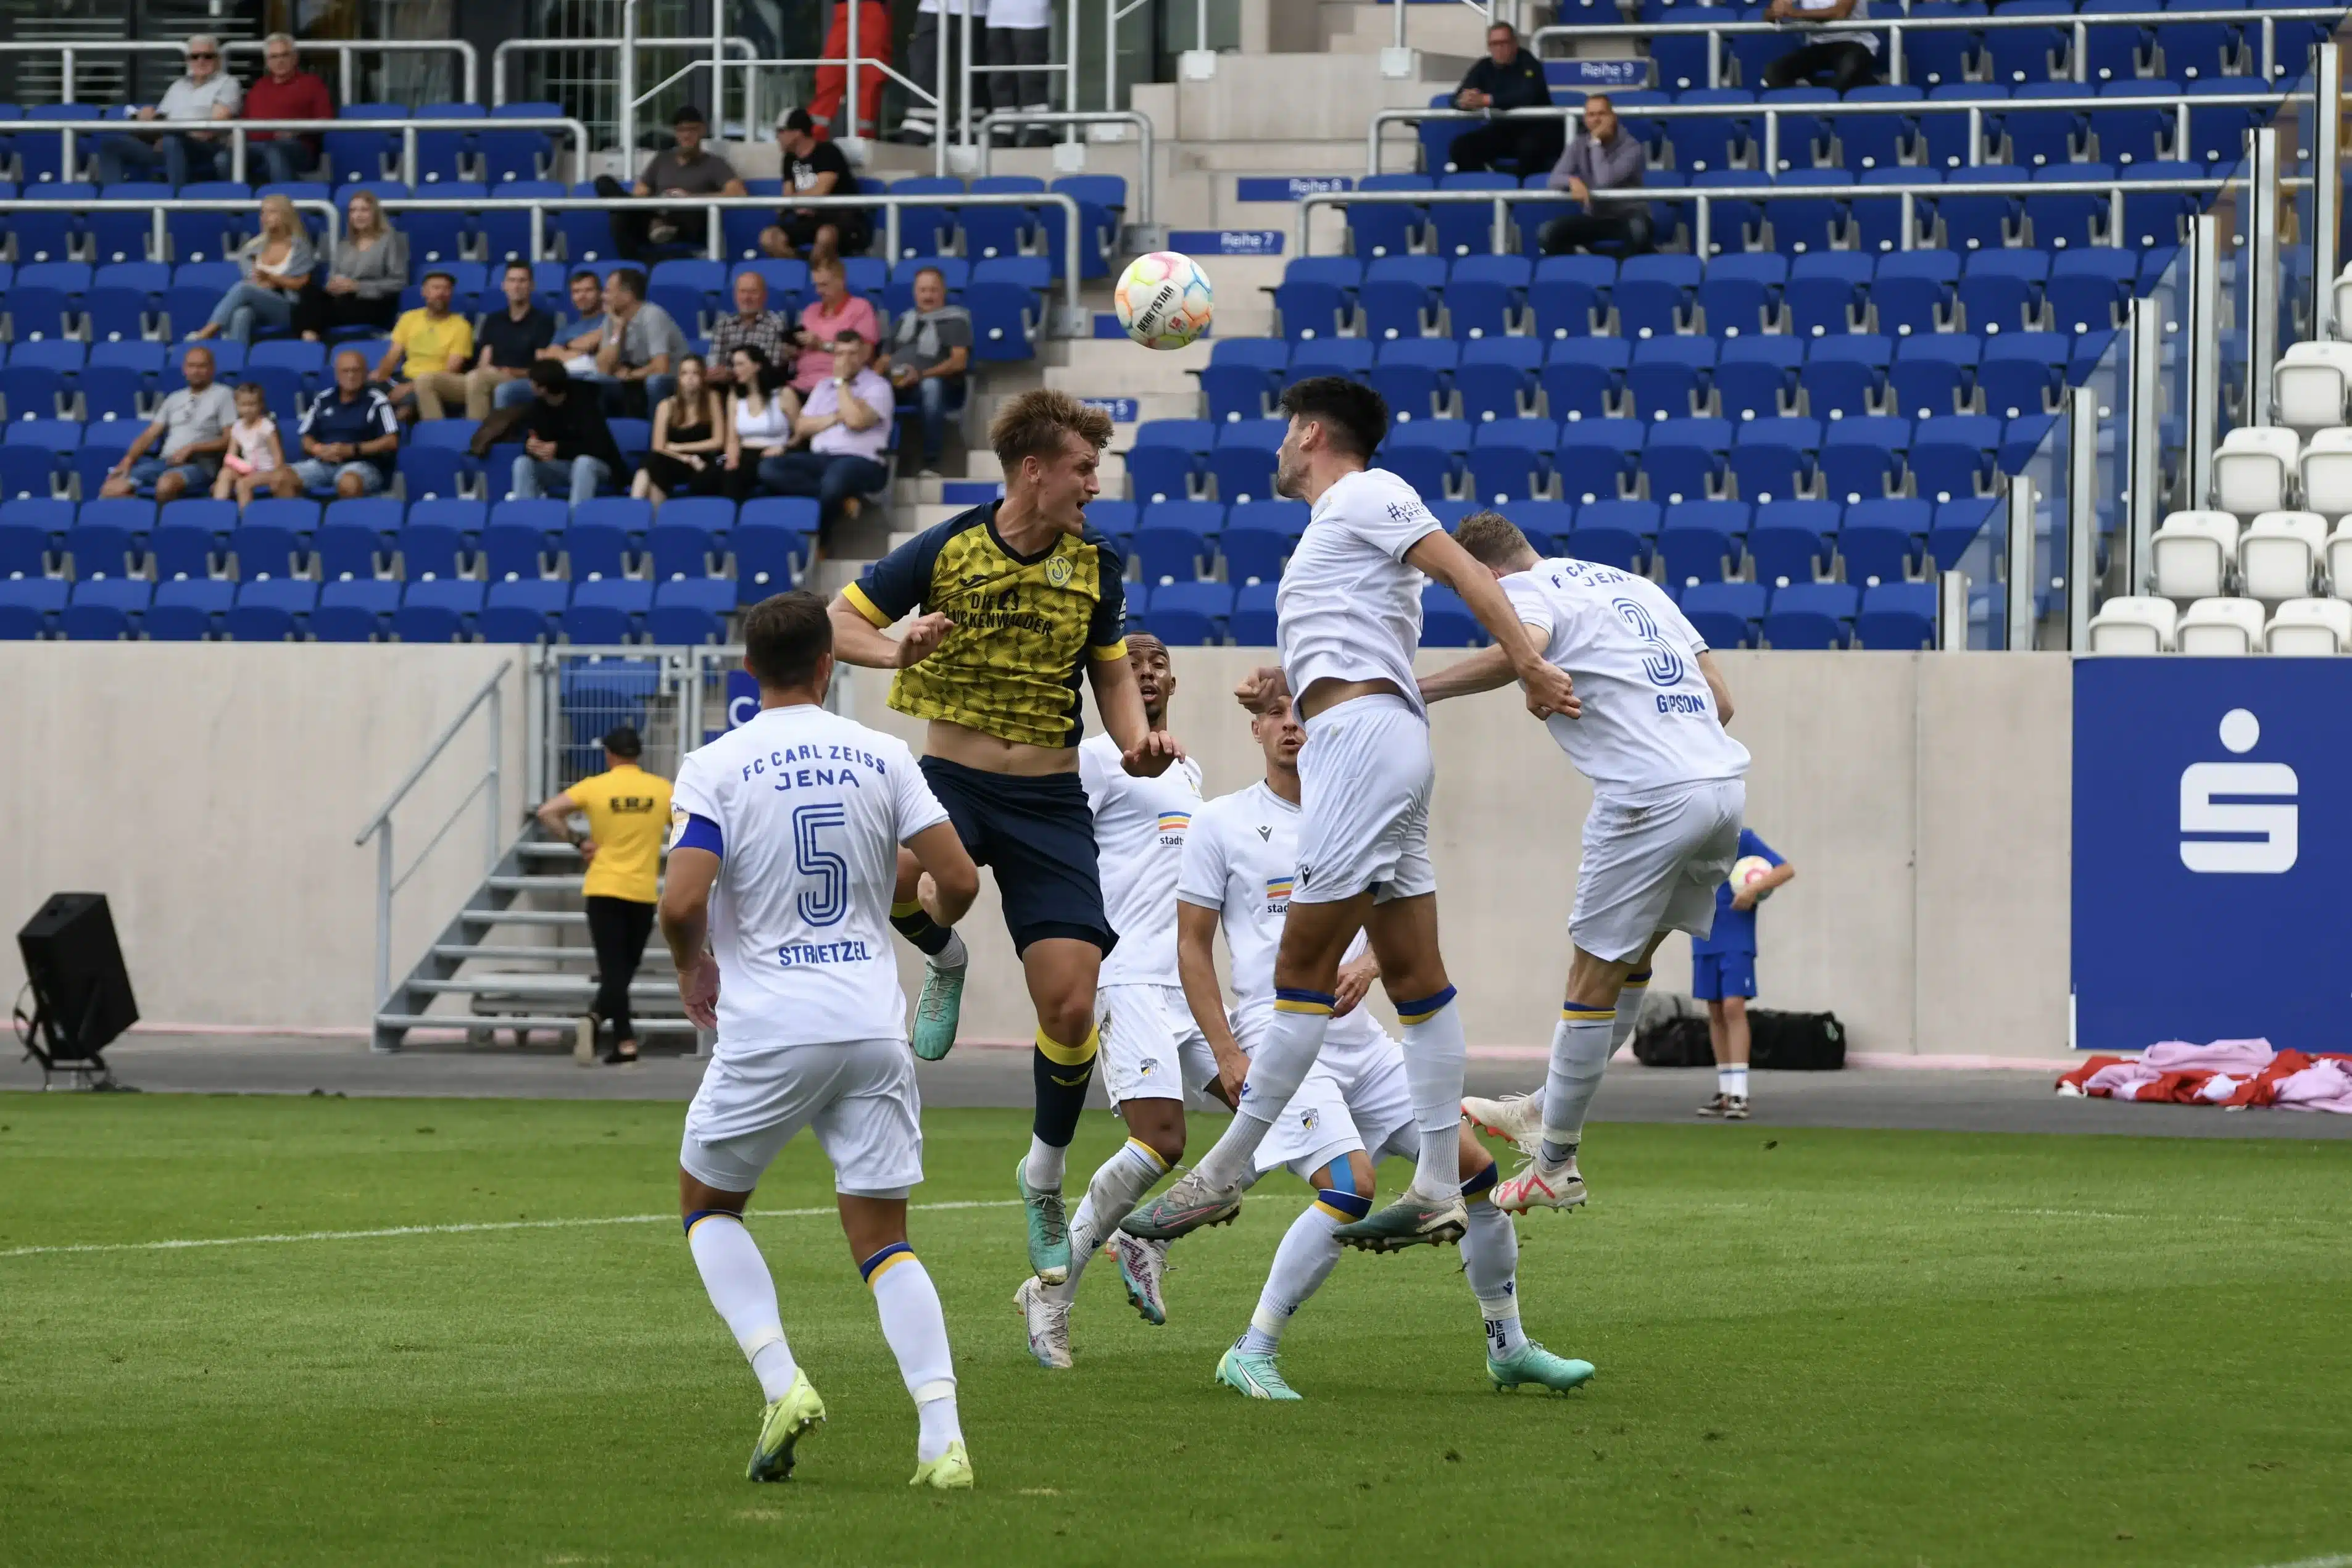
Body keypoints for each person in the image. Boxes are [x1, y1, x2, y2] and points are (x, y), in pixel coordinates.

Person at [1118, 380, 1575, 1253]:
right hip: (1369, 737)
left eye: (1288, 431)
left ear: (1312, 432)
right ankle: (1441, 1178)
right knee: (1412, 973)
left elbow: (1463, 568)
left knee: (1301, 960)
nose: (1280, 447)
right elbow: (1359, 641)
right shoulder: (1332, 531)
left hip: (1365, 745)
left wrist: (1528, 665)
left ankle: (1223, 1171)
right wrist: (1282, 689)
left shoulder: (1367, 490)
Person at [1115, 673, 1592, 1401]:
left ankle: (1509, 1344)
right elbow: (1192, 947)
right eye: (1275, 714)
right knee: (1351, 1186)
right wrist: (1228, 1052)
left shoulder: (1359, 816)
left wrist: (1368, 965)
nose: (1289, 726)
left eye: (1300, 713)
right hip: (1274, 1033)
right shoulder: (1221, 822)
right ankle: (1251, 1350)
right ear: (1255, 729)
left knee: (1475, 1178)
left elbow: (1402, 924)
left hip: (1360, 1042)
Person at [825, 388, 1182, 1289]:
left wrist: (1137, 741)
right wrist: (896, 649)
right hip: (948, 778)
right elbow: (840, 622)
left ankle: (1042, 1179)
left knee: (1068, 1003)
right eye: (1082, 468)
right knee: (902, 871)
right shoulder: (947, 546)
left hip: (1050, 800)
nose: (1092, 485)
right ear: (1034, 470)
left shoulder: (1095, 560)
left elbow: (1107, 669)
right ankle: (943, 958)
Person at [661, 589, 979, 1489]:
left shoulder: (715, 763)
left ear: (749, 672)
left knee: (709, 1204)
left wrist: (694, 970)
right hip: (869, 1024)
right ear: (827, 664)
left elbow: (683, 901)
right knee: (884, 1239)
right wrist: (933, 923)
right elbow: (954, 877)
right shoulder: (882, 754)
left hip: (770, 1026)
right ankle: (941, 1438)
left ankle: (781, 1381)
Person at [1405, 512, 1749, 1217]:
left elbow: (1516, 654)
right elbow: (1721, 701)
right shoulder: (1635, 587)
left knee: (1588, 976)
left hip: (1647, 799)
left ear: (1486, 576)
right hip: (1720, 789)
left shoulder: (1526, 592)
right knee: (1630, 965)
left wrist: (1419, 688)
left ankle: (1554, 1158)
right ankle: (1541, 1109)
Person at [1013, 633, 1211, 1364]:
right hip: (1124, 977)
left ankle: (1141, 1229)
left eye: (1160, 663)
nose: (1149, 672)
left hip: (1190, 986)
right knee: (1162, 1139)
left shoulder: (1189, 770)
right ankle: (1051, 1294)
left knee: (1266, 1113)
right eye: (1133, 665)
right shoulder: (1093, 760)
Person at [538, 726, 673, 1068]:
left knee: (613, 970)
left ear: (610, 755)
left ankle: (597, 1021)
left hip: (603, 888)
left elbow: (547, 812)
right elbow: (688, 824)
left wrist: (577, 841)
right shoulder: (662, 790)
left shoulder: (595, 787)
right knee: (623, 970)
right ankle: (624, 1042)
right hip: (642, 892)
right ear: (638, 755)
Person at [1691, 828, 1795, 1119]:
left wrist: (1751, 890)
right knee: (1714, 1011)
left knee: (1733, 1006)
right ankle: (1725, 1092)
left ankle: (1740, 1092)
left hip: (1737, 938)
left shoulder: (1742, 839)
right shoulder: (1692, 841)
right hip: (1703, 936)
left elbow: (1785, 869)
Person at [760, 331, 892, 549]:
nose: (846, 360)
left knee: (835, 478)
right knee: (768, 469)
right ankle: (842, 500)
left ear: (863, 355)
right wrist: (836, 416)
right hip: (821, 458)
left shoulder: (878, 386)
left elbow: (856, 423)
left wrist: (841, 384)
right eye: (840, 354)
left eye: (852, 354)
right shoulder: (823, 387)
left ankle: (821, 542)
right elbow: (802, 427)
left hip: (862, 461)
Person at [594, 104, 746, 262]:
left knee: (694, 216)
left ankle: (650, 256)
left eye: (692, 130)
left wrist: (691, 198)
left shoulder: (714, 163)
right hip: (657, 214)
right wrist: (657, 208)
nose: (687, 135)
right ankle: (644, 251)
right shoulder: (662, 160)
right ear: (676, 133)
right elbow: (639, 194)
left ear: (702, 131)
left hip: (690, 220)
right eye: (682, 130)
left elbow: (738, 193)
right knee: (606, 188)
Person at [94, 34, 241, 187]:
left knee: (173, 140)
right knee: (109, 145)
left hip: (202, 148)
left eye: (208, 56)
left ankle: (176, 199)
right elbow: (162, 118)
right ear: (187, 60)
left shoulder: (228, 83)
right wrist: (147, 117)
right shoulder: (178, 85)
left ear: (218, 59)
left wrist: (171, 134)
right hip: (165, 143)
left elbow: (214, 127)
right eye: (195, 56)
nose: (201, 61)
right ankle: (117, 201)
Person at [100, 345, 236, 501]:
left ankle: (163, 521)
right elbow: (151, 434)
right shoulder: (174, 398)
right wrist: (128, 461)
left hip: (201, 465)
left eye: (202, 366)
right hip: (166, 462)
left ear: (212, 369)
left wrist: (193, 448)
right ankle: (144, 517)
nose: (196, 371)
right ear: (184, 369)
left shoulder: (224, 394)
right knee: (110, 488)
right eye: (191, 366)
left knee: (166, 485)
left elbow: (230, 439)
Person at [189, 193, 315, 344]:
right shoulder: (252, 248)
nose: (266, 217)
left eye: (272, 212)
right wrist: (269, 283)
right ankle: (236, 359)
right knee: (242, 314)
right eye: (263, 212)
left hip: (290, 307)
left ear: (285, 215)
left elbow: (301, 283)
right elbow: (255, 281)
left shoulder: (300, 246)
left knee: (243, 289)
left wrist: (271, 278)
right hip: (258, 301)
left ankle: (206, 333)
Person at [1538, 95, 1652, 258]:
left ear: (1613, 117)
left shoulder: (1632, 147)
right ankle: (1582, 266)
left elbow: (1604, 181)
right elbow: (1554, 179)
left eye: (1602, 114)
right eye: (1591, 115)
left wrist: (1596, 143)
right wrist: (1572, 181)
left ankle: (1622, 273)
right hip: (1595, 217)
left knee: (1639, 231)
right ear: (1585, 120)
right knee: (1547, 232)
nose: (1596, 120)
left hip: (1629, 216)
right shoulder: (1578, 144)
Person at [883, 265, 970, 478]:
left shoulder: (956, 320)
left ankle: (932, 462)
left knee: (931, 389)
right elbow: (885, 358)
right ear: (915, 292)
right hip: (899, 382)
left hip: (941, 384)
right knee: (873, 391)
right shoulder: (904, 320)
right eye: (923, 290)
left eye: (933, 290)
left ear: (943, 292)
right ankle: (881, 462)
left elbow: (959, 362)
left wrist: (920, 376)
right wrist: (874, 380)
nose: (928, 295)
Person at [277, 348, 399, 499]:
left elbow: (391, 441)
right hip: (324, 462)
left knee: (348, 483)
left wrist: (353, 450)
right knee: (281, 478)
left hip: (362, 464)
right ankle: (297, 521)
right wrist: (318, 449)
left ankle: (347, 522)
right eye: (345, 371)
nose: (351, 376)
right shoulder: (323, 399)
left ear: (366, 373)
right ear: (337, 375)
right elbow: (306, 438)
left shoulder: (377, 400)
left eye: (356, 371)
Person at [1445, 22, 1561, 179]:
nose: (1499, 48)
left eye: (1504, 43)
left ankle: (1520, 195)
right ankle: (1486, 186)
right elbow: (1456, 97)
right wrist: (1464, 101)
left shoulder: (1528, 62)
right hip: (1504, 130)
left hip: (1538, 128)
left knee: (1530, 147)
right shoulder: (1484, 66)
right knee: (1461, 147)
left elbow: (1527, 95)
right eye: (1494, 44)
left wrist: (1487, 100)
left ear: (1515, 44)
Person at [293, 189, 407, 340]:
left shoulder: (392, 240)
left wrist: (357, 286)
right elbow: (336, 275)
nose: (358, 215)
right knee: (308, 291)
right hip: (345, 299)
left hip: (376, 302)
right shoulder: (346, 244)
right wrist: (334, 285)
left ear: (375, 214)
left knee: (313, 312)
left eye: (364, 210)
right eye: (353, 211)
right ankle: (310, 336)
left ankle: (309, 340)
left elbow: (399, 282)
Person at [510, 360, 626, 507]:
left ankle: (575, 519)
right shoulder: (538, 407)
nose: (530, 385)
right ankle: (525, 518)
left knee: (584, 463)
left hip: (597, 467)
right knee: (523, 463)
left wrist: (559, 448)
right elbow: (534, 436)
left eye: (533, 382)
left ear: (543, 389)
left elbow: (599, 447)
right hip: (561, 467)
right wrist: (532, 447)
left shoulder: (585, 404)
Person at [763, 109, 871, 262]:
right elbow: (787, 197)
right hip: (806, 222)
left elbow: (820, 191)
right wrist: (797, 203)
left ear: (797, 133)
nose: (777, 137)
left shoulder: (828, 152)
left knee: (825, 235)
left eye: (781, 131)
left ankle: (818, 272)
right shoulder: (789, 159)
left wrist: (797, 201)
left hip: (840, 220)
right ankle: (803, 271)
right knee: (769, 238)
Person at [636, 354, 736, 502]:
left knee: (653, 466)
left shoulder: (713, 399)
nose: (690, 378)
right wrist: (687, 457)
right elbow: (658, 447)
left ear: (703, 377)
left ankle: (646, 516)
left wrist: (679, 448)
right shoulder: (666, 406)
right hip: (678, 460)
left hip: (705, 461)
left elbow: (718, 442)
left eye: (695, 373)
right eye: (684, 373)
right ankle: (637, 509)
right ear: (679, 378)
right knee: (653, 463)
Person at [380, 271, 476, 420]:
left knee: (406, 408)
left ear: (451, 294)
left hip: (434, 383)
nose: (441, 293)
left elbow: (451, 370)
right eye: (436, 288)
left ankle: (400, 437)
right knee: (366, 391)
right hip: (404, 377)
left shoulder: (461, 326)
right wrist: (380, 378)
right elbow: (393, 355)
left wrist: (410, 387)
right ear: (424, 292)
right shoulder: (409, 318)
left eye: (446, 289)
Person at [592, 267, 688, 417]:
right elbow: (603, 368)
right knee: (596, 381)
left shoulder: (653, 315)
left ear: (627, 295)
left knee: (654, 383)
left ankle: (657, 432)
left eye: (608, 291)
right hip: (635, 379)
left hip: (672, 379)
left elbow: (661, 367)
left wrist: (631, 374)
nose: (604, 297)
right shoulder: (612, 318)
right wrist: (618, 329)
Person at [243, 31, 333, 186]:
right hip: (256, 147)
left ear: (295, 58)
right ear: (267, 62)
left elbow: (326, 120)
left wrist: (296, 130)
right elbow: (245, 120)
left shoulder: (312, 84)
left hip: (297, 147)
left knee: (273, 150)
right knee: (224, 159)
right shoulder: (259, 87)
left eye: (285, 55)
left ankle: (283, 203)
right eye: (274, 57)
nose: (280, 61)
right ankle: (238, 207)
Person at [470, 260, 557, 417]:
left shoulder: (543, 322)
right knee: (428, 382)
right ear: (504, 286)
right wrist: (487, 372)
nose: (517, 286)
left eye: (522, 281)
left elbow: (541, 368)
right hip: (489, 376)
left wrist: (512, 372)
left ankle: (481, 435)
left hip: (524, 380)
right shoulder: (493, 320)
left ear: (532, 286)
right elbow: (484, 360)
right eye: (512, 281)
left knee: (480, 381)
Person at [789, 258, 879, 394]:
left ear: (841, 281)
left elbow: (865, 354)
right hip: (801, 383)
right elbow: (798, 353)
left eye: (824, 285)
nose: (818, 291)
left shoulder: (860, 308)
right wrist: (790, 351)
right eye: (816, 285)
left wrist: (822, 345)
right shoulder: (810, 311)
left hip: (839, 383)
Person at [725, 344, 800, 499]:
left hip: (775, 452)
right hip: (745, 453)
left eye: (740, 364)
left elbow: (801, 433)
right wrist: (732, 459)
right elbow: (732, 439)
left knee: (736, 480)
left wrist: (784, 448)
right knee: (711, 479)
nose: (735, 370)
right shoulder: (734, 396)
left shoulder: (784, 394)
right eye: (733, 365)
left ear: (757, 366)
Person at [811, 0, 892, 141]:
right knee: (830, 73)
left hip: (873, 7)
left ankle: (864, 138)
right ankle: (813, 135)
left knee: (871, 76)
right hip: (844, 7)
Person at [893, 0, 971, 146]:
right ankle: (920, 127)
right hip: (932, 8)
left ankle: (967, 128)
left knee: (969, 76)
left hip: (975, 11)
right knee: (924, 68)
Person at [1761, 0, 1883, 92]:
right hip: (1818, 46)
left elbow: (1840, 12)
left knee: (1849, 70)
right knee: (1773, 73)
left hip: (1854, 43)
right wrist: (1775, 11)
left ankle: (1823, 99)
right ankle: (1813, 92)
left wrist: (1794, 13)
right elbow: (1769, 15)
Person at [984, 0, 1054, 147]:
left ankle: (1038, 130)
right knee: (1000, 75)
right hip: (996, 16)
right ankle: (1003, 129)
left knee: (1032, 75)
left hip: (1032, 13)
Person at [707, 271, 793, 389]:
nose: (747, 298)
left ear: (764, 296)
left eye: (753, 292)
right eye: (742, 292)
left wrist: (732, 373)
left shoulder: (775, 324)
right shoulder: (723, 324)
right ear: (735, 296)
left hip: (762, 387)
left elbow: (771, 367)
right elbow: (716, 363)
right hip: (726, 386)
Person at [214, 381, 286, 505]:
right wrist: (220, 481)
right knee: (225, 473)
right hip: (247, 469)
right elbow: (231, 457)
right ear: (237, 406)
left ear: (261, 405)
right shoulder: (237, 427)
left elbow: (278, 458)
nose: (248, 409)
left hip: (267, 472)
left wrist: (278, 477)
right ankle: (218, 510)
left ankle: (245, 518)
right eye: (243, 405)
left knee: (243, 484)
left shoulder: (267, 427)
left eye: (252, 405)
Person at [543, 269, 610, 377]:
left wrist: (567, 347)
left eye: (588, 290)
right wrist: (582, 354)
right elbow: (550, 355)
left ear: (600, 293)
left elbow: (589, 343)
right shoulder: (567, 328)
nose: (582, 296)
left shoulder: (609, 320)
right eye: (576, 292)